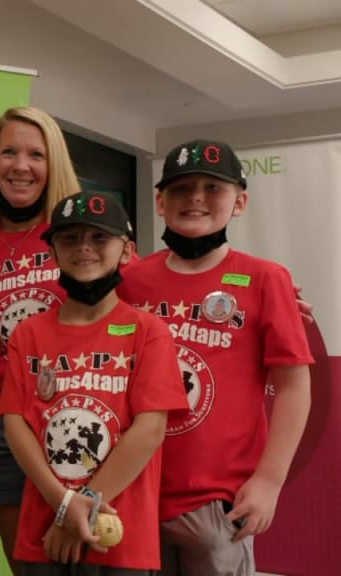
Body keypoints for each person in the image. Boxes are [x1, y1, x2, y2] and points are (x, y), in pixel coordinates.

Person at [117, 140, 312, 576]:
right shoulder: (130, 281)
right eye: (182, 188)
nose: (196, 197)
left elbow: (295, 386)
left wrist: (269, 481)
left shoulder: (266, 279)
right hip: (135, 490)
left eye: (212, 187)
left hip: (218, 501)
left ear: (240, 202)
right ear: (159, 201)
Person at [0, 190, 189, 575]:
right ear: (51, 252)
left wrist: (82, 502)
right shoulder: (27, 334)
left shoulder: (148, 332)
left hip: (122, 535)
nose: (84, 247)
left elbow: (149, 431)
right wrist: (64, 505)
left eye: (99, 237)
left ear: (126, 250)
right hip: (44, 531)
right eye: (69, 238)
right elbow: (15, 423)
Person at [0, 106, 80, 570]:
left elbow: (142, 293)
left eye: (35, 154)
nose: (20, 165)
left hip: (75, 416)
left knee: (84, 559)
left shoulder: (81, 233)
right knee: (29, 565)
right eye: (8, 152)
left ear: (54, 164)